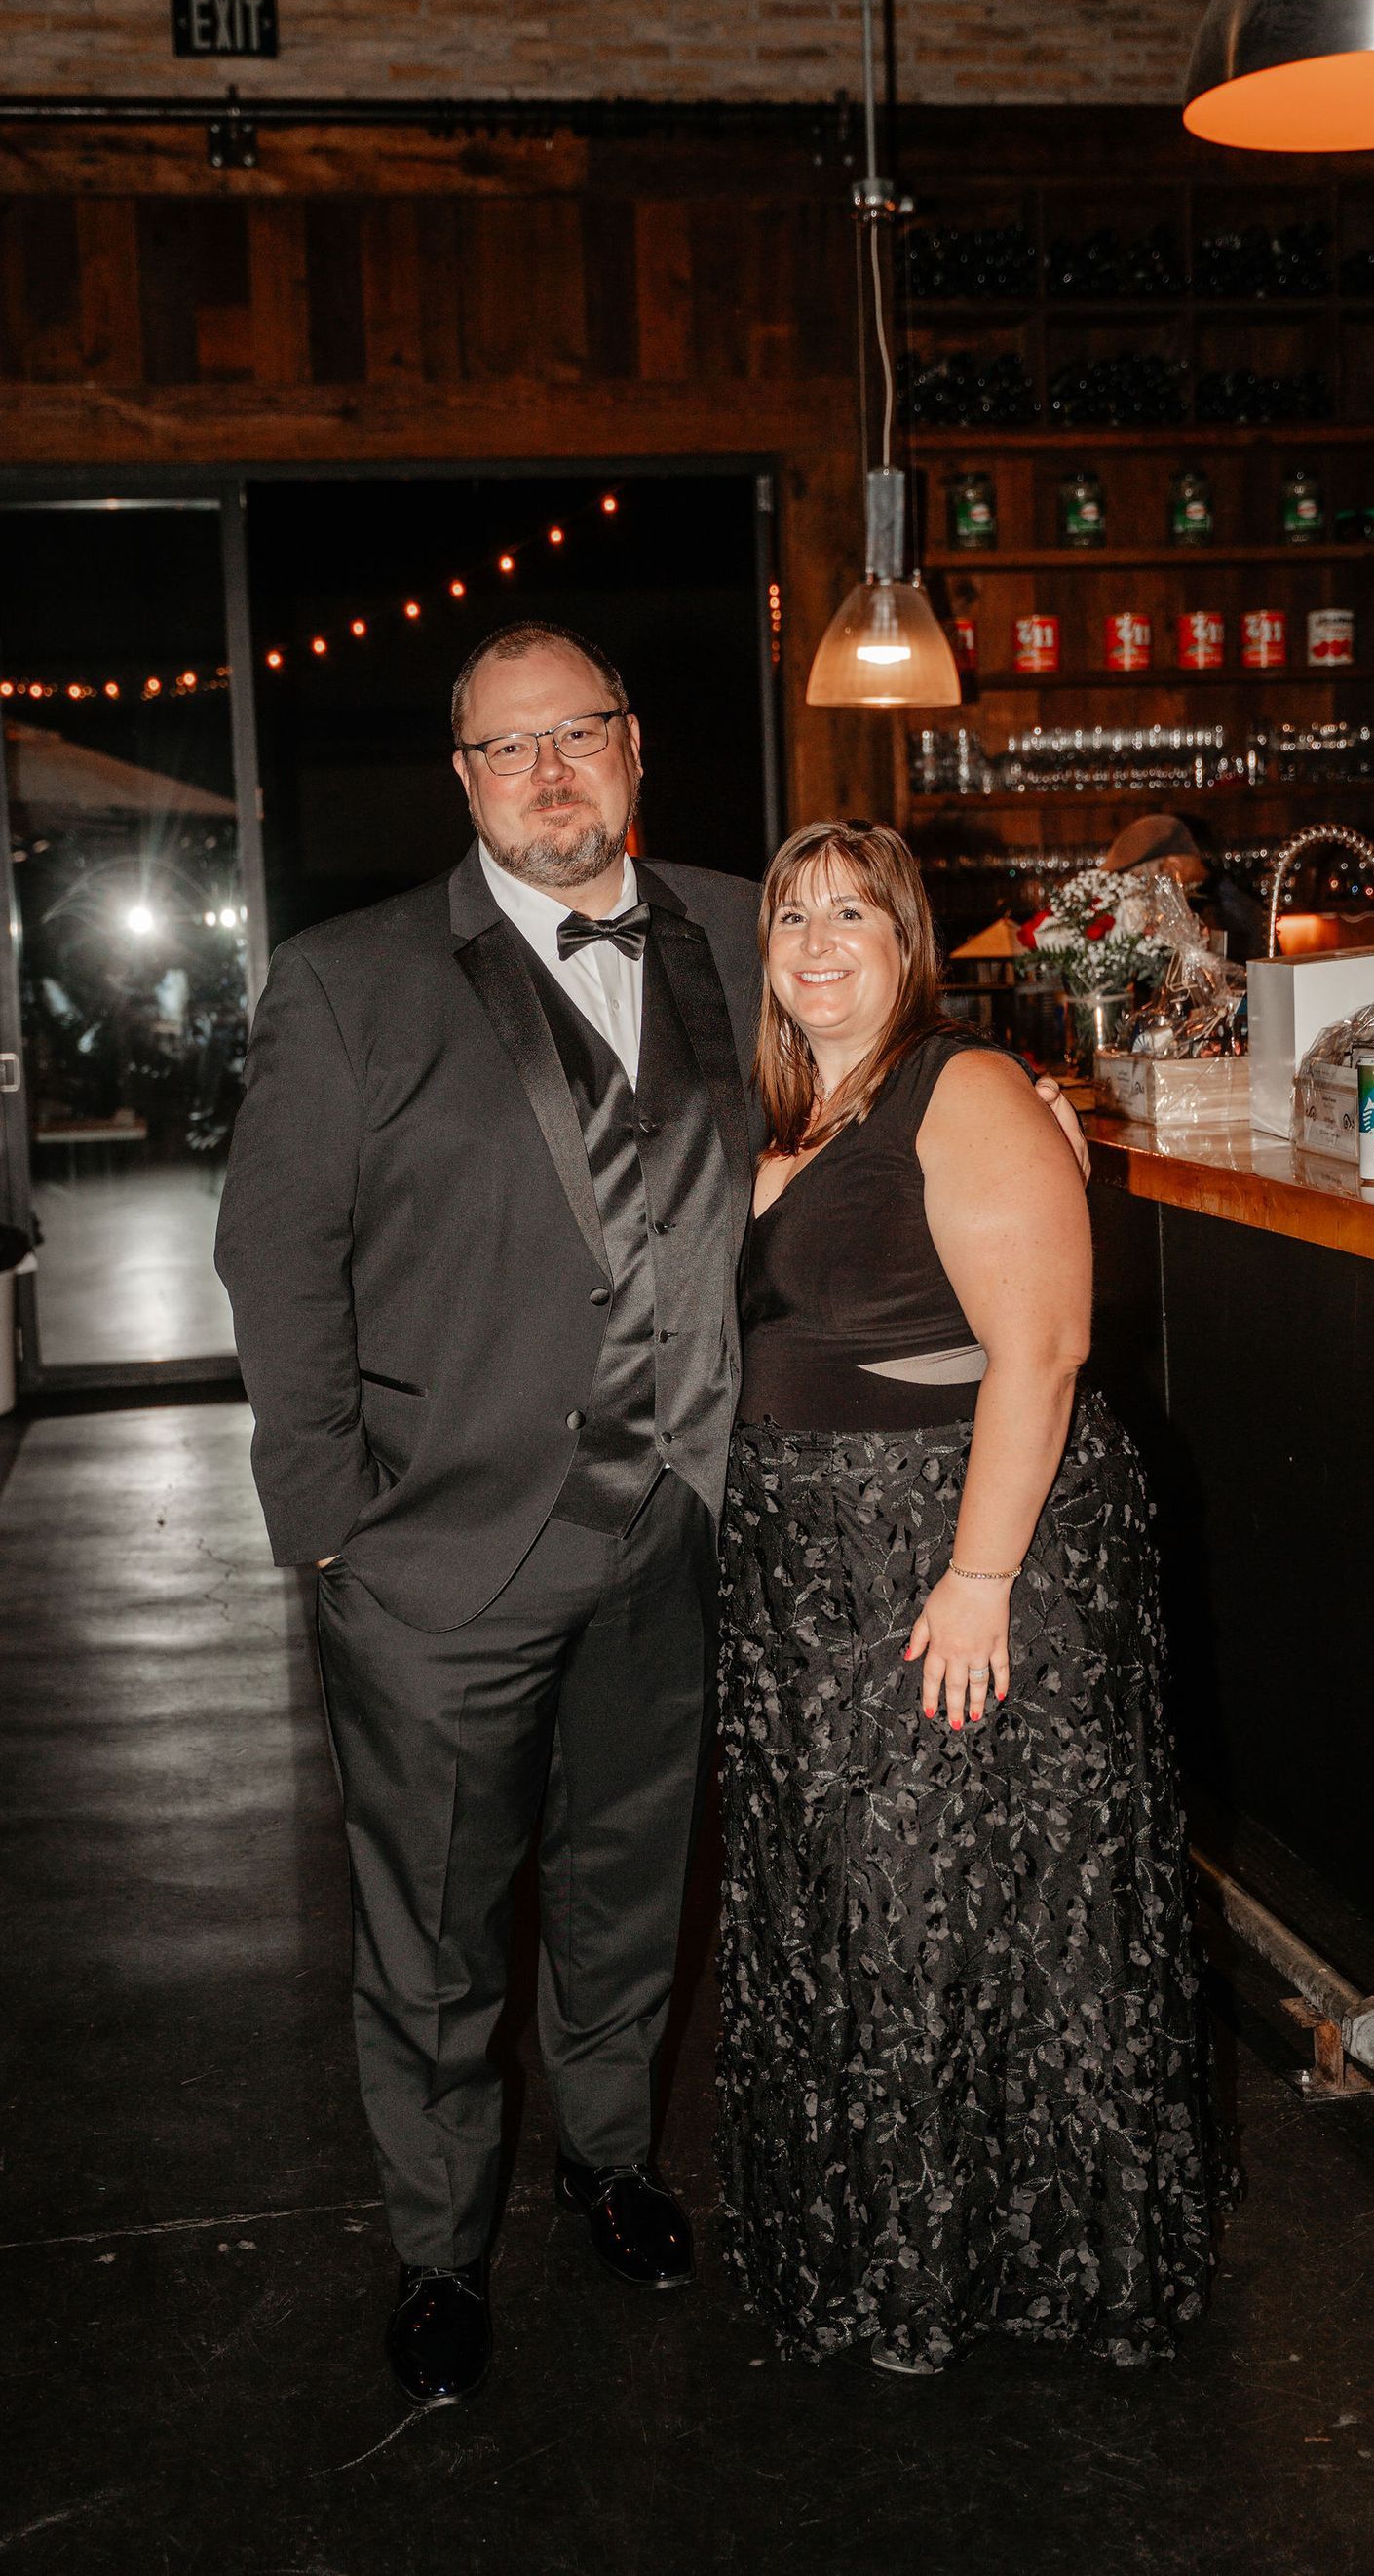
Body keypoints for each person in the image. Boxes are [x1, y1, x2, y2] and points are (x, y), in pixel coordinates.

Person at [215, 628, 1087, 2410]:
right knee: (435, 1933)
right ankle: (442, 2246)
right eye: (505, 745)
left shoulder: (744, 927)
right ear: (463, 779)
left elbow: (879, 1066)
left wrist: (1025, 1103)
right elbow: (276, 1263)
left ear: (635, 747)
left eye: (579, 735)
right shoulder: (348, 979)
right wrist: (329, 1528)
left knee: (626, 1892)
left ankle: (611, 2161)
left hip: (685, 1528)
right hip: (434, 1555)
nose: (548, 771)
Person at [717, 820, 1221, 2375]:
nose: (815, 941)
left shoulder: (968, 1087)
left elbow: (1044, 1346)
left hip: (957, 1561)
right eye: (791, 914)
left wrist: (982, 1575)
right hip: (821, 1579)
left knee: (981, 1908)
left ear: (909, 937)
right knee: (871, 1917)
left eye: (852, 913)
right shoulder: (796, 1113)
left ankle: (1026, 2263)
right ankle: (897, 2251)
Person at [1103, 811, 1264, 964]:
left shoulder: (1216, 913)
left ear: (1172, 867)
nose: (1141, 893)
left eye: (1142, 880)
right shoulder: (1228, 897)